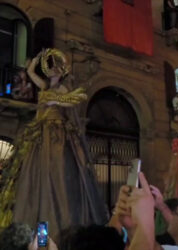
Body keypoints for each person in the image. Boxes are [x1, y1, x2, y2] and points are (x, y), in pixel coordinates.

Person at [0, 49, 107, 238]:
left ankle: (51, 236)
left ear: (61, 73)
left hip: (55, 134)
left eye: (56, 71)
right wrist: (35, 61)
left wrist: (54, 101)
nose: (53, 74)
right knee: (39, 178)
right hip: (40, 134)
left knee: (56, 176)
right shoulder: (44, 87)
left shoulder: (62, 89)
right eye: (50, 70)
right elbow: (32, 74)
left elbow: (69, 103)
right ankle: (40, 238)